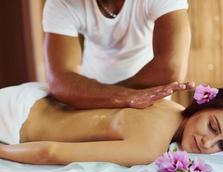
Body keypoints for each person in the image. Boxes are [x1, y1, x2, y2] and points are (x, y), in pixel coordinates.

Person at [0, 83, 223, 166]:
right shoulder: (150, 148)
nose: (207, 143)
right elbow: (50, 153)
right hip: (14, 123)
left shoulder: (164, 101)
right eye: (212, 126)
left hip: (32, 95)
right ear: (204, 104)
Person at [43, 0, 192, 109]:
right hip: (90, 96)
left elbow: (171, 68)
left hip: (148, 91)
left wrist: (109, 96)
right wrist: (119, 97)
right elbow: (59, 81)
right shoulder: (61, 3)